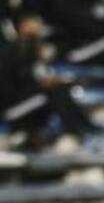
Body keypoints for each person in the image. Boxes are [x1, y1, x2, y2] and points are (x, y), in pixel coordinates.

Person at [0, 12, 97, 149]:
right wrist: (39, 85)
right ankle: (76, 134)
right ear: (22, 26)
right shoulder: (14, 50)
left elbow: (37, 75)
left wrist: (46, 81)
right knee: (55, 91)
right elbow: (11, 85)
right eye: (32, 23)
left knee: (62, 87)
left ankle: (86, 129)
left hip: (29, 100)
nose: (37, 27)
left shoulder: (33, 48)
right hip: (12, 107)